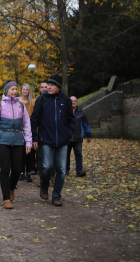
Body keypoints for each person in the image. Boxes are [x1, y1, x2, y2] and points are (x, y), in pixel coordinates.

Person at [30, 74, 75, 206]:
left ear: (58, 87)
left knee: (61, 169)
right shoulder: (41, 99)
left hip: (63, 141)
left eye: (52, 85)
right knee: (46, 166)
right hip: (46, 139)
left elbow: (71, 120)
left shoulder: (65, 100)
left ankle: (56, 195)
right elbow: (34, 120)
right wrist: (34, 137)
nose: (49, 87)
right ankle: (44, 185)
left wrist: (69, 133)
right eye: (48, 85)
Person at [0, 80, 32, 209]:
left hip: (18, 140)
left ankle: (12, 187)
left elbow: (26, 125)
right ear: (6, 90)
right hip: (3, 141)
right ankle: (6, 198)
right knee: (5, 168)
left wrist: (28, 141)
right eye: (12, 89)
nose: (14, 91)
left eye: (16, 89)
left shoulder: (21, 106)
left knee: (17, 169)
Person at [67, 96, 92, 177]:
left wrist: (88, 135)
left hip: (77, 138)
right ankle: (66, 170)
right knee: (66, 154)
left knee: (78, 154)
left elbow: (86, 125)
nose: (73, 102)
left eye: (75, 101)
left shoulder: (81, 113)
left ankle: (79, 171)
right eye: (72, 101)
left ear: (77, 102)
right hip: (67, 137)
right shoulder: (65, 111)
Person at [18, 83, 36, 183]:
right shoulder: (17, 101)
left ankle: (28, 172)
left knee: (29, 151)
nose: (25, 91)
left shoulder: (32, 102)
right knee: (20, 150)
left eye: (27, 89)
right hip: (19, 129)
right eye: (23, 89)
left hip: (29, 129)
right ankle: (21, 171)